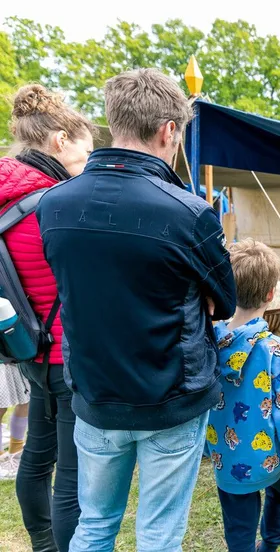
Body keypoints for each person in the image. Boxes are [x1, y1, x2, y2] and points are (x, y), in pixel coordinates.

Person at [36, 69, 236, 551]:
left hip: (95, 391)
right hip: (170, 395)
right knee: (158, 534)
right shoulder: (188, 212)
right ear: (169, 130)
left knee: (96, 525)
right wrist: (193, 290)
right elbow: (224, 300)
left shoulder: (54, 204)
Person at [0, 84, 95, 551]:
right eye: (85, 151)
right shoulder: (53, 204)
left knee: (37, 456)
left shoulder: (6, 196)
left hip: (25, 346)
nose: (87, 162)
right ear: (60, 141)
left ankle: (40, 543)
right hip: (65, 353)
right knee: (71, 478)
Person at [207, 239, 280, 552]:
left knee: (239, 531)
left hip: (228, 458)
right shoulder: (278, 351)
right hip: (271, 457)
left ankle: (265, 545)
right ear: (269, 295)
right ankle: (271, 544)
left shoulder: (207, 343)